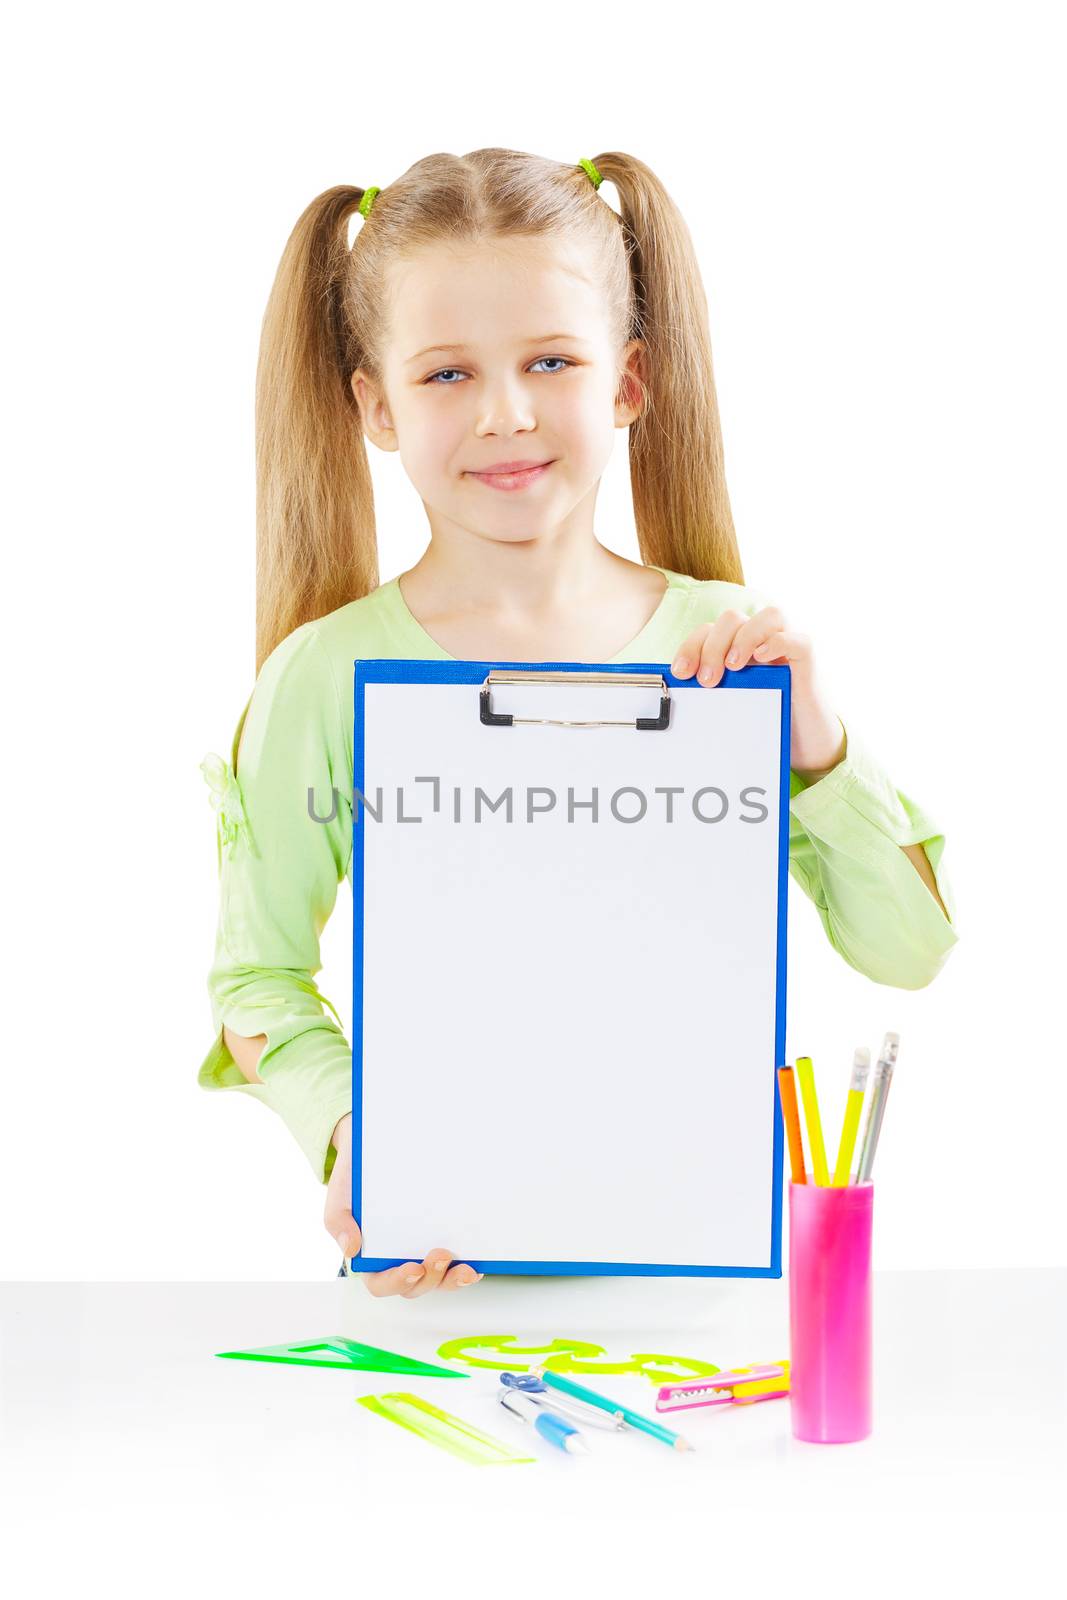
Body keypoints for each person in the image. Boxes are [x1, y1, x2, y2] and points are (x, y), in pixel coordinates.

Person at [198, 149, 959, 1299]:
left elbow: (910, 951)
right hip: (441, 1273)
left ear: (626, 380)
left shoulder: (731, 653)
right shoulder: (324, 676)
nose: (505, 413)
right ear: (375, 406)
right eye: (446, 374)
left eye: (550, 359)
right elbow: (255, 981)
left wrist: (816, 747)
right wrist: (361, 1139)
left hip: (702, 1286)